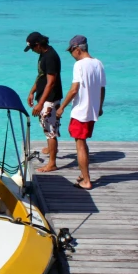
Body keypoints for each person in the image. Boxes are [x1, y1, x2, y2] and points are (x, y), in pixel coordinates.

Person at [56, 35, 106, 190]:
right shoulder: (98, 63)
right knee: (83, 142)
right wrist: (99, 107)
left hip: (80, 111)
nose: (71, 54)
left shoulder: (79, 65)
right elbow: (102, 89)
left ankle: (86, 181)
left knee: (80, 145)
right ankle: (83, 175)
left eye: (71, 51)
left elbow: (74, 89)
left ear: (77, 49)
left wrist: (62, 106)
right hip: (92, 111)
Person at [24, 32, 63, 172]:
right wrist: (32, 91)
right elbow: (41, 75)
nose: (33, 51)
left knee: (50, 131)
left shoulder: (51, 57)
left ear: (38, 45)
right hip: (44, 98)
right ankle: (50, 147)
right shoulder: (43, 55)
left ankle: (52, 163)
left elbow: (51, 82)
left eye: (33, 48)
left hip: (50, 99)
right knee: (46, 126)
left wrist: (41, 103)